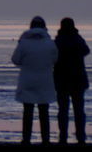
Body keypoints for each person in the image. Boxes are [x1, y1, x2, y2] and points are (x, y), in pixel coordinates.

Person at [10, 16, 57, 144]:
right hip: (45, 81)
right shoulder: (49, 43)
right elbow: (55, 60)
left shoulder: (24, 42)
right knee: (44, 112)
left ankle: (26, 139)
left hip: (28, 81)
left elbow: (15, 60)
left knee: (28, 112)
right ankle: (45, 139)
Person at [53, 16, 91, 144]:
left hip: (62, 79)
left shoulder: (58, 40)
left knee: (63, 110)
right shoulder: (77, 39)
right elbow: (86, 51)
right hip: (77, 79)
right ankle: (80, 136)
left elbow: (52, 57)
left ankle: (63, 135)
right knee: (79, 110)